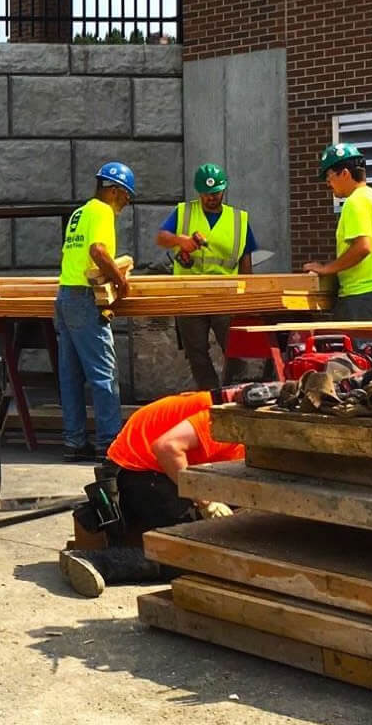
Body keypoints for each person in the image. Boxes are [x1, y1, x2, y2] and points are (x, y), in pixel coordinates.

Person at [60, 388, 246, 597]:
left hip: (143, 470)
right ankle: (99, 562)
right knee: (200, 552)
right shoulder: (231, 422)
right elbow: (167, 447)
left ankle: (107, 536)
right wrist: (206, 502)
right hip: (136, 474)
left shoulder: (242, 419)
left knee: (220, 536)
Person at [54, 162, 135, 462]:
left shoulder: (80, 212)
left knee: (71, 375)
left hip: (65, 296)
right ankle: (110, 443)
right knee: (104, 374)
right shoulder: (101, 211)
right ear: (114, 191)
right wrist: (121, 280)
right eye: (127, 195)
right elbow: (98, 252)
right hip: (85, 298)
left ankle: (74, 442)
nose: (127, 202)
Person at [153, 162, 259, 389]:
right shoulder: (184, 211)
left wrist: (247, 297)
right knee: (196, 351)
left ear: (224, 189)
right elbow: (161, 237)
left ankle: (232, 391)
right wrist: (181, 241)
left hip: (225, 295)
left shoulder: (238, 219)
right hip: (190, 295)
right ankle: (210, 394)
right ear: (199, 192)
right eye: (206, 194)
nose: (211, 197)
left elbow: (245, 260)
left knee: (235, 349)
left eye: (216, 192)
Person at [304, 143, 372, 321]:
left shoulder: (355, 202)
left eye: (329, 177)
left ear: (344, 173)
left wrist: (326, 269)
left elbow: (363, 247)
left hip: (363, 297)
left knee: (357, 349)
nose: (328, 183)